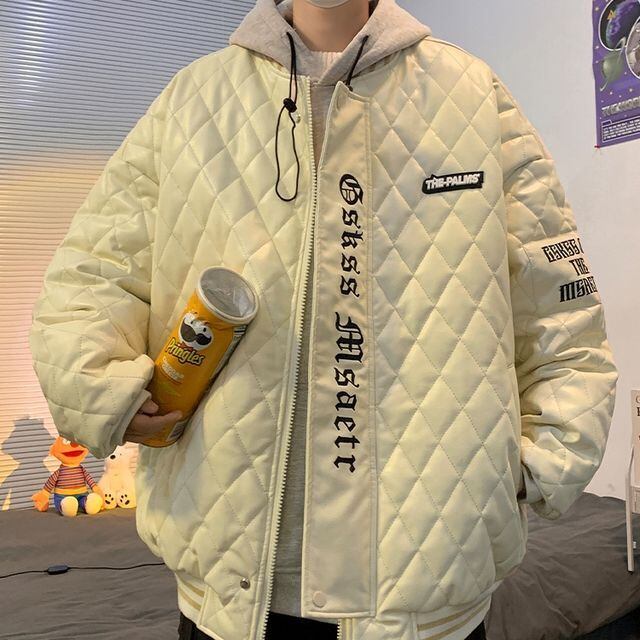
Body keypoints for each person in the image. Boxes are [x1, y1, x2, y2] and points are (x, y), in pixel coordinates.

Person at [28, 0, 619, 639]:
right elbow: (89, 275)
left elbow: (562, 306)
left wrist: (537, 465)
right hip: (229, 592)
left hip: (427, 592)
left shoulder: (473, 97)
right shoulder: (193, 103)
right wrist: (103, 389)